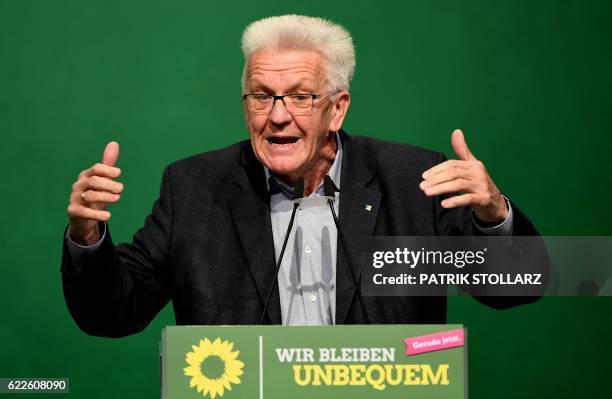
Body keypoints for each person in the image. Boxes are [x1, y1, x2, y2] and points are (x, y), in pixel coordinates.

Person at [62, 15, 541, 337]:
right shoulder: (193, 189)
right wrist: (87, 236)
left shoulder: (413, 180)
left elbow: (517, 288)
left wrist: (494, 215)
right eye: (261, 95)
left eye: (300, 96)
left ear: (337, 108)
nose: (278, 115)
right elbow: (111, 313)